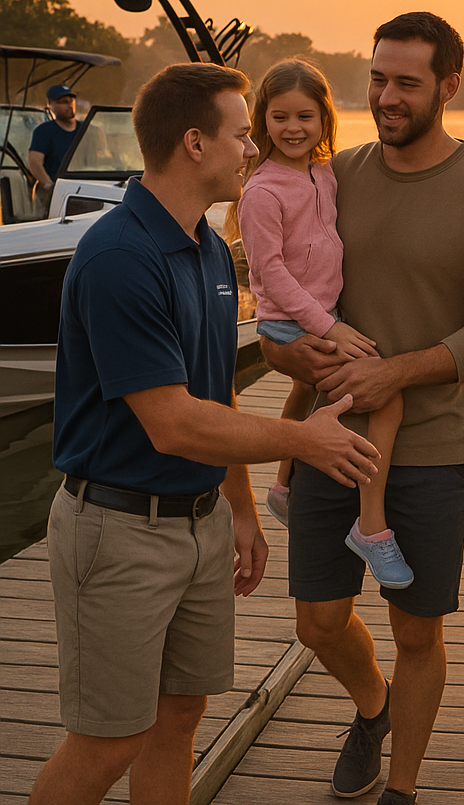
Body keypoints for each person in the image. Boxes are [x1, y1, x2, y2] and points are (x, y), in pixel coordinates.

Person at [28, 63, 381, 805]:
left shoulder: (213, 251)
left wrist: (242, 511)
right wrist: (302, 441)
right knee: (109, 738)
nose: (252, 149)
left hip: (199, 521)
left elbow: (212, 393)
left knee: (179, 715)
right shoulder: (122, 257)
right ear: (194, 142)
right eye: (241, 134)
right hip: (117, 529)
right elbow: (173, 422)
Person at [261, 12, 464, 805]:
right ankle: (372, 707)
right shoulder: (330, 174)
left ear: (449, 86)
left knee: (416, 630)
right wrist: (288, 357)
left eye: (406, 81)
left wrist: (400, 375)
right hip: (325, 436)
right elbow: (287, 301)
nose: (386, 95)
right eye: (377, 78)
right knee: (317, 620)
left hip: (430, 451)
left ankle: (402, 790)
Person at [235, 59, 410, 589]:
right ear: (262, 120)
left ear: (324, 119)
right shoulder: (262, 192)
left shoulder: (324, 172)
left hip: (321, 315)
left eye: (305, 117)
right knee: (387, 394)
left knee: (307, 392)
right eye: (280, 117)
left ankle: (284, 485)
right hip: (294, 322)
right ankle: (371, 524)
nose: (293, 128)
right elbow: (271, 274)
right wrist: (327, 328)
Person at [28, 83, 80, 198]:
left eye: (71, 101)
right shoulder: (44, 131)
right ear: (50, 104)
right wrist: (48, 185)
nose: (70, 105)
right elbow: (35, 162)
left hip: (84, 184)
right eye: (63, 102)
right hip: (58, 187)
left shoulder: (86, 130)